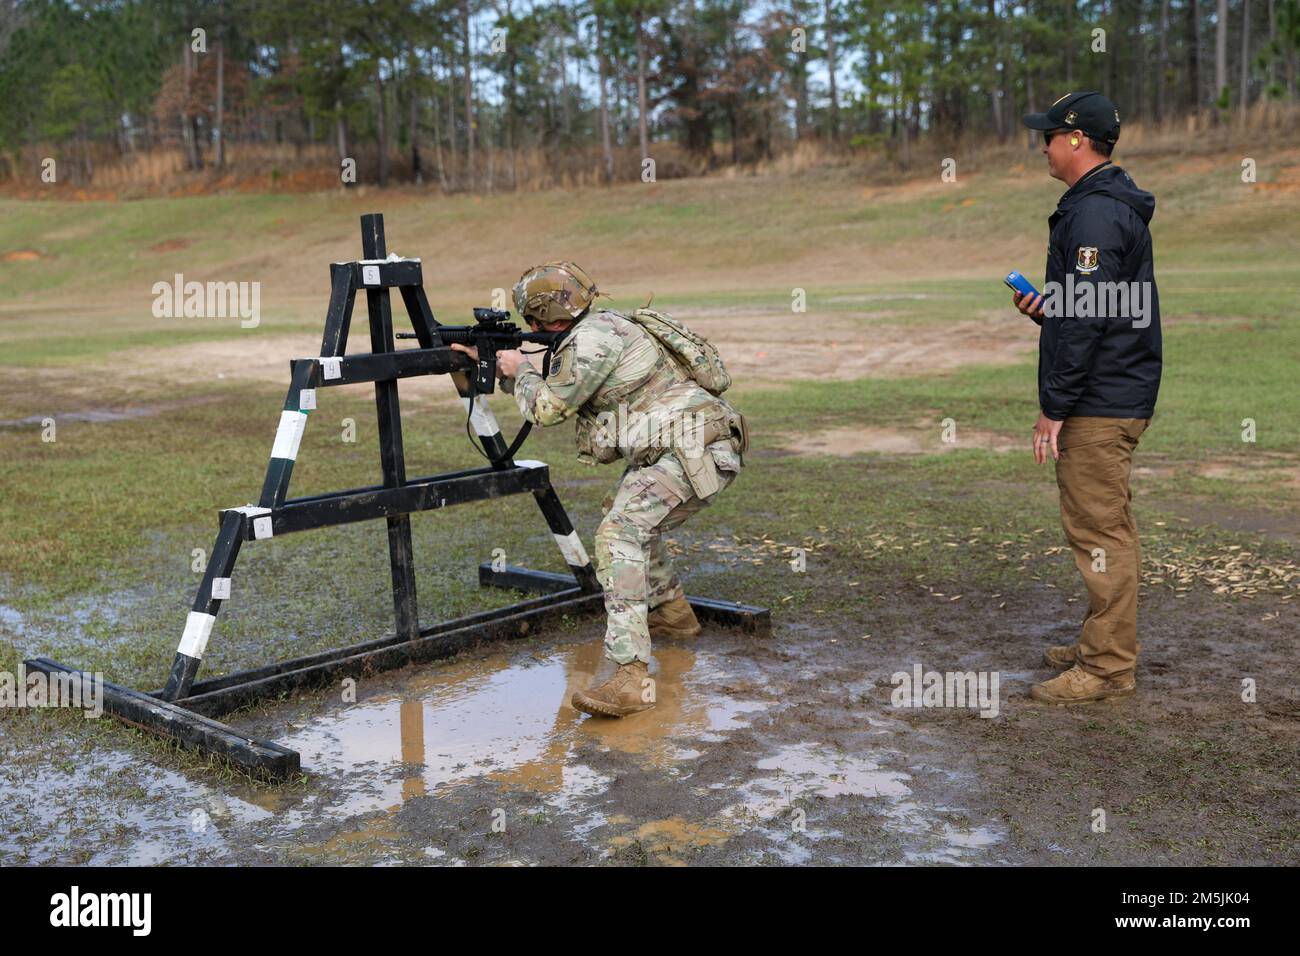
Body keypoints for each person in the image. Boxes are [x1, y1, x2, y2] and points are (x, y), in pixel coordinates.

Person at [451, 262, 747, 718]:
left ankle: (631, 677)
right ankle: (672, 614)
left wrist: (522, 369)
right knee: (622, 515)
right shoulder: (604, 326)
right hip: (690, 444)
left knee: (618, 534)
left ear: (541, 316)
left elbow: (547, 409)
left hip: (691, 449)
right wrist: (500, 363)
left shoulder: (589, 341)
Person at [1013, 91, 1163, 705]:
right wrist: (1047, 312)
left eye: (1048, 136)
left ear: (1076, 140)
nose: (1041, 146)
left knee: (1101, 532)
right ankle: (1101, 643)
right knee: (1105, 526)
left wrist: (1054, 406)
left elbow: (1086, 326)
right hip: (1108, 391)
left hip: (1100, 401)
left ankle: (1105, 668)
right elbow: (1092, 310)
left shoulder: (1096, 216)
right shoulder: (1097, 207)